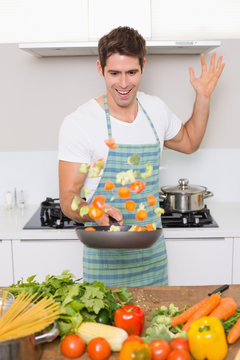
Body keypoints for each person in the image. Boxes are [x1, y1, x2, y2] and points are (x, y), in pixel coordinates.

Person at [58, 26, 225, 286]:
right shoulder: (80, 123)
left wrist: (203, 97)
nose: (123, 84)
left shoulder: (155, 110)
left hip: (152, 258)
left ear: (143, 67)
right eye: (114, 73)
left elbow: (190, 142)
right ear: (100, 69)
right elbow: (68, 198)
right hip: (104, 263)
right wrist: (91, 211)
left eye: (131, 73)